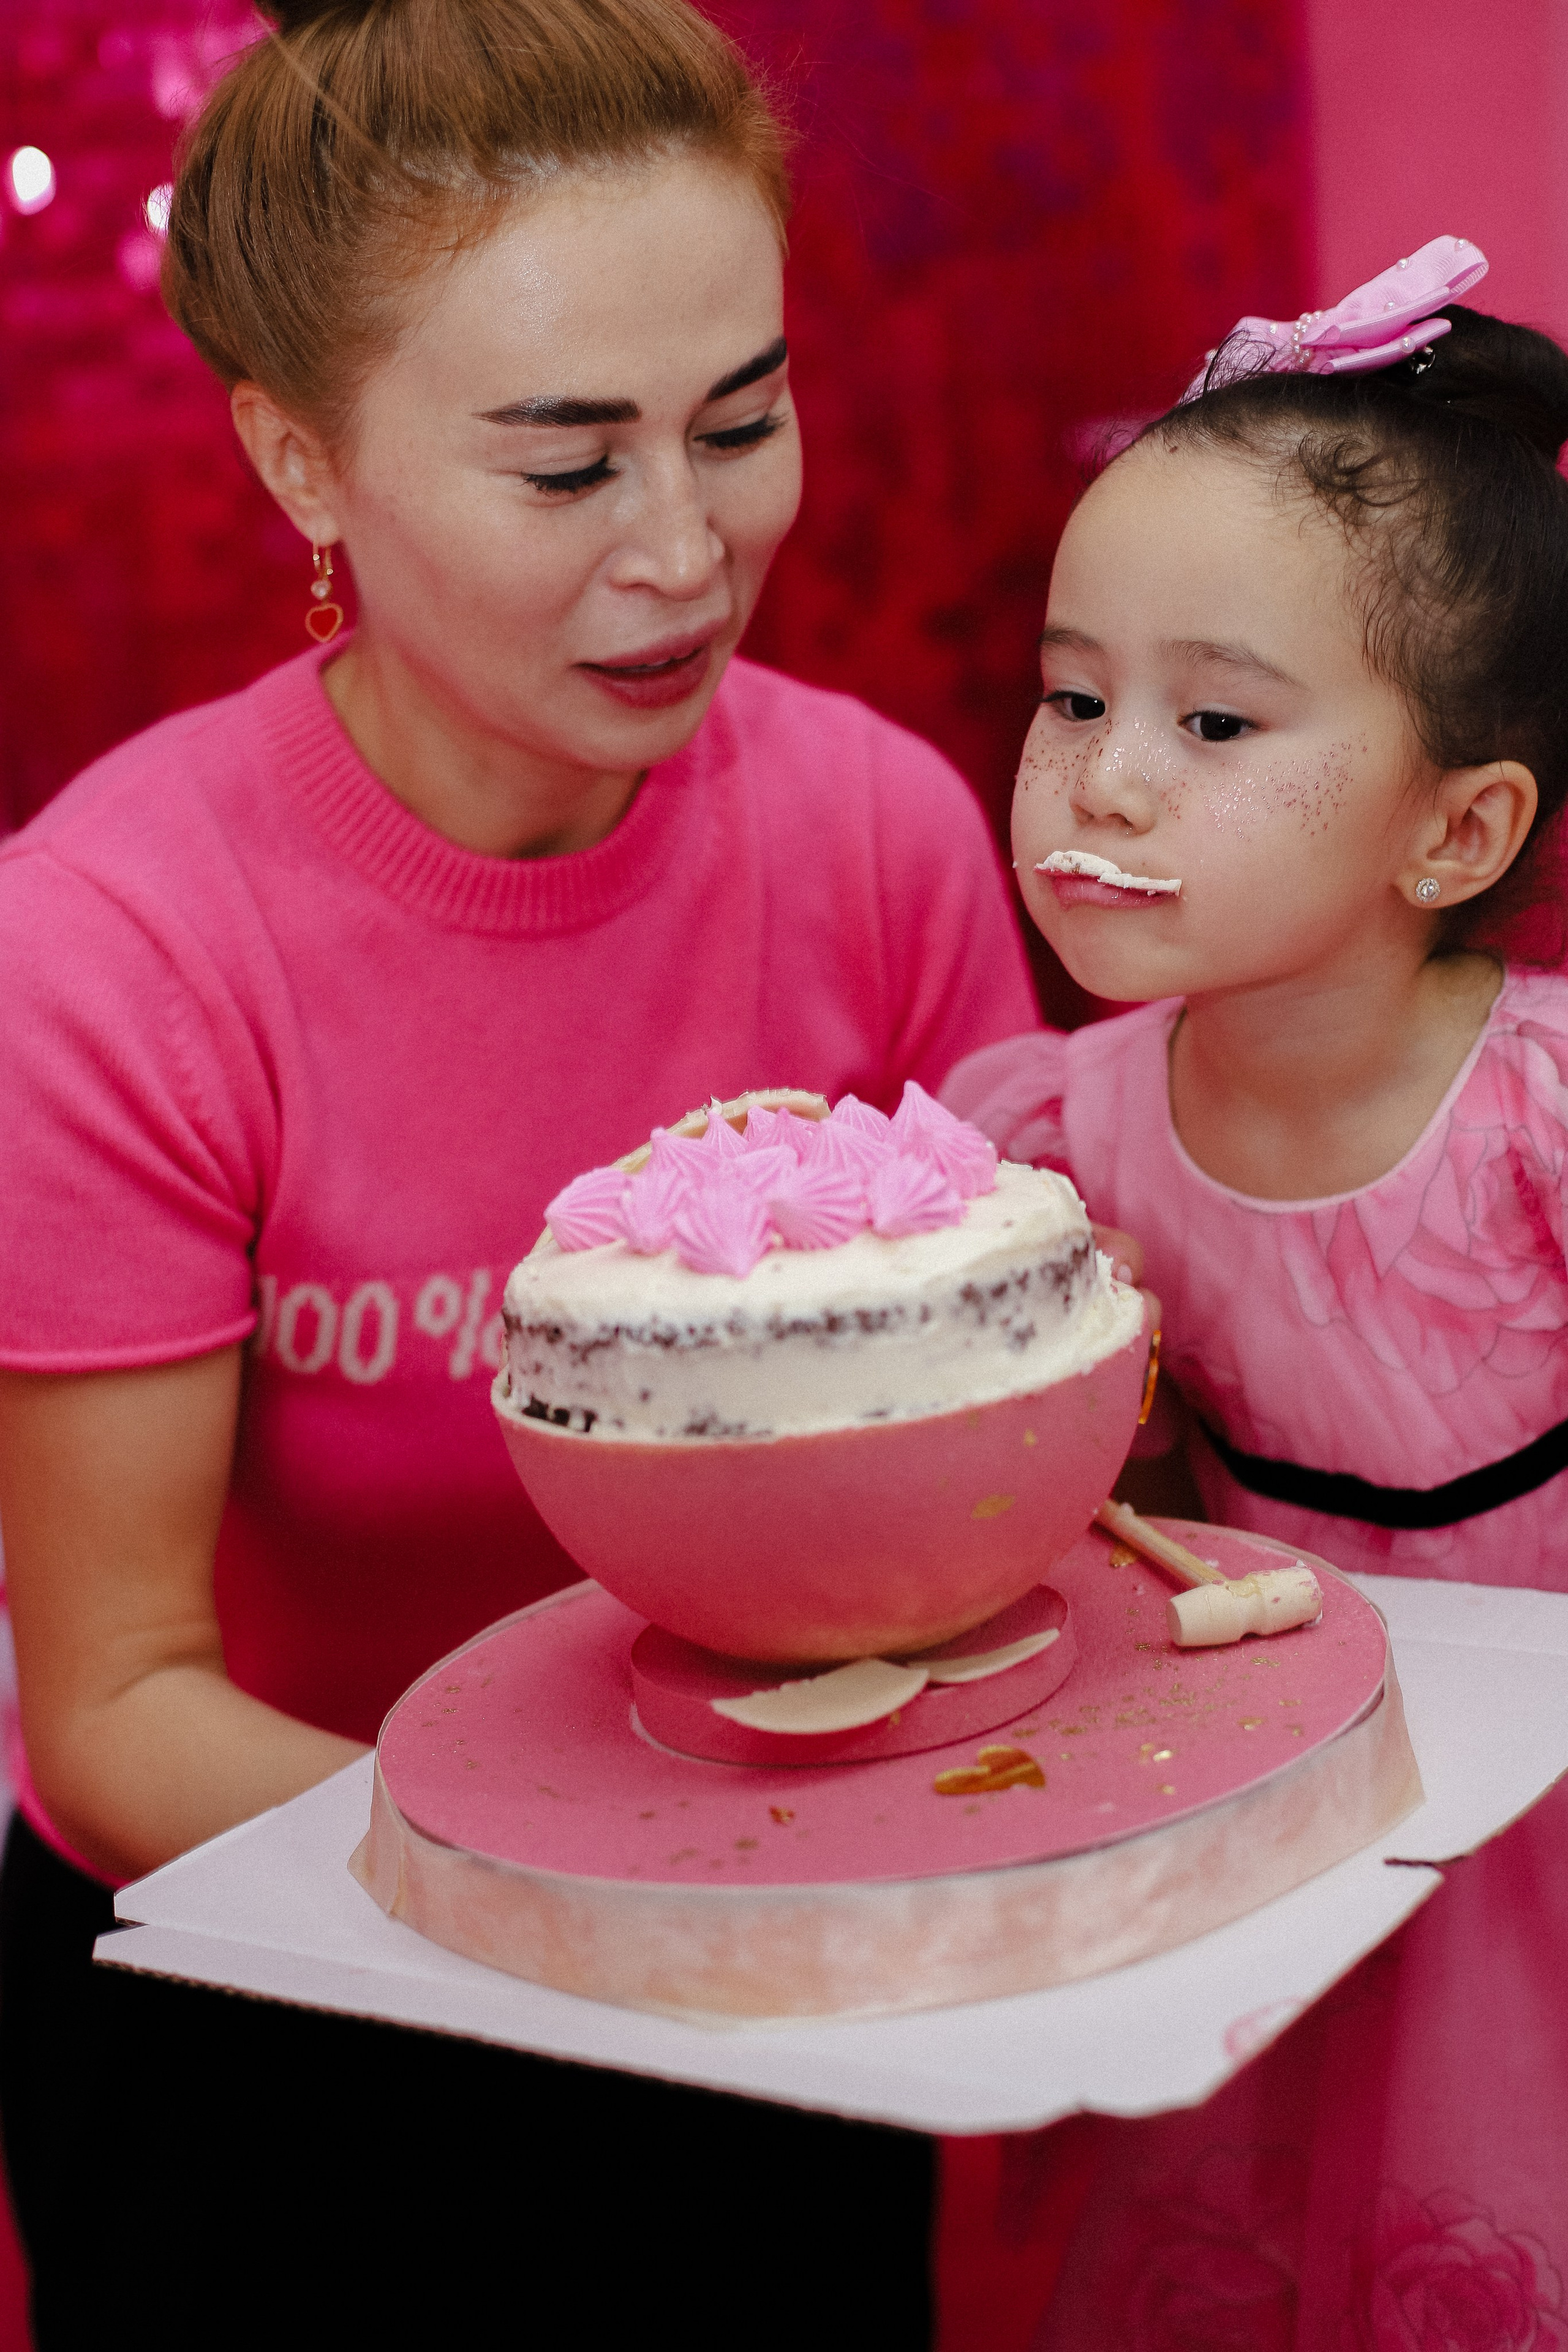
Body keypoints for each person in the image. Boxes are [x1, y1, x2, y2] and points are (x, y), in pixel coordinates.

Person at [0, 2, 1039, 2340]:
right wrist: (619, 1886)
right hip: (270, 1978)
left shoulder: (878, 837)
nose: (686, 551)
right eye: (567, 468)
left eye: (740, 424)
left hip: (765, 1967)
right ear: (301, 461)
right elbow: (121, 1703)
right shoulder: (109, 949)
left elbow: (1012, 1459)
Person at [940, 238, 1568, 2344]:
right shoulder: (1061, 1134)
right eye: (1073, 695)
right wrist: (1075, 1408)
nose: (1106, 778)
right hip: (1253, 1805)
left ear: (1455, 831)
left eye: (1213, 719)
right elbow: (1087, 1549)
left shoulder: (1541, 1122)